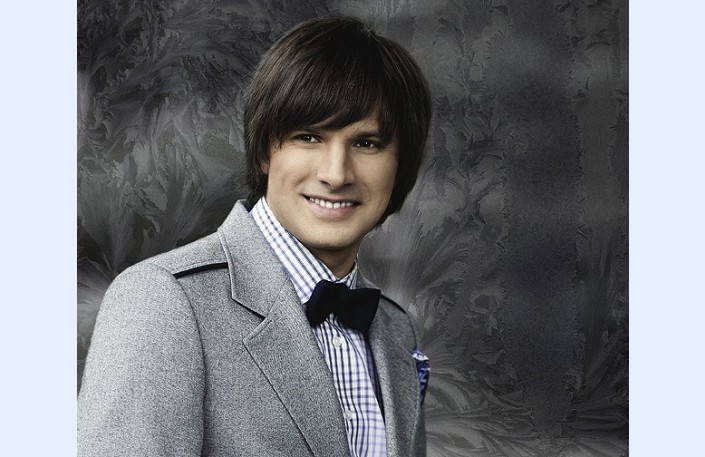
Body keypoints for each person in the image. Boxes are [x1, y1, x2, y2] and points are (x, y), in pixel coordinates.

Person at [78, 16, 431, 457]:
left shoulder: (395, 329)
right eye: (308, 137)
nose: (336, 174)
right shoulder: (161, 300)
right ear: (265, 150)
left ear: (401, 165)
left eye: (367, 143)